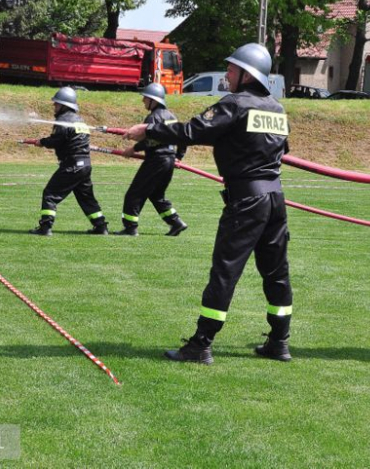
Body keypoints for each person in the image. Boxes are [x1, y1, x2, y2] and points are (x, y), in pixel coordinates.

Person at [123, 43, 293, 365]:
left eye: (231, 69)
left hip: (246, 201)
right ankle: (279, 341)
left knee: (224, 273)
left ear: (247, 74)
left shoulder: (234, 105)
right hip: (275, 200)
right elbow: (282, 150)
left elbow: (192, 130)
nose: (226, 75)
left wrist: (149, 129)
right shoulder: (277, 110)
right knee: (276, 273)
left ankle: (200, 344)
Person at [25, 87, 108, 237]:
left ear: (64, 105)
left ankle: (45, 227)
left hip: (72, 165)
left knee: (50, 194)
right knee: (86, 197)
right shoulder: (79, 120)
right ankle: (101, 226)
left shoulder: (63, 120)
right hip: (85, 165)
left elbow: (57, 140)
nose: (54, 107)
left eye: (56, 104)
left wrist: (42, 141)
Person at [114, 83, 188, 237]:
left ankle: (130, 228)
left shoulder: (153, 117)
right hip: (168, 161)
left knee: (134, 194)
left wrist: (132, 149)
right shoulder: (172, 117)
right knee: (156, 195)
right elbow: (182, 138)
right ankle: (176, 223)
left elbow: (152, 140)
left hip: (156, 161)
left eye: (146, 98)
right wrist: (179, 156)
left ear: (154, 100)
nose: (143, 101)